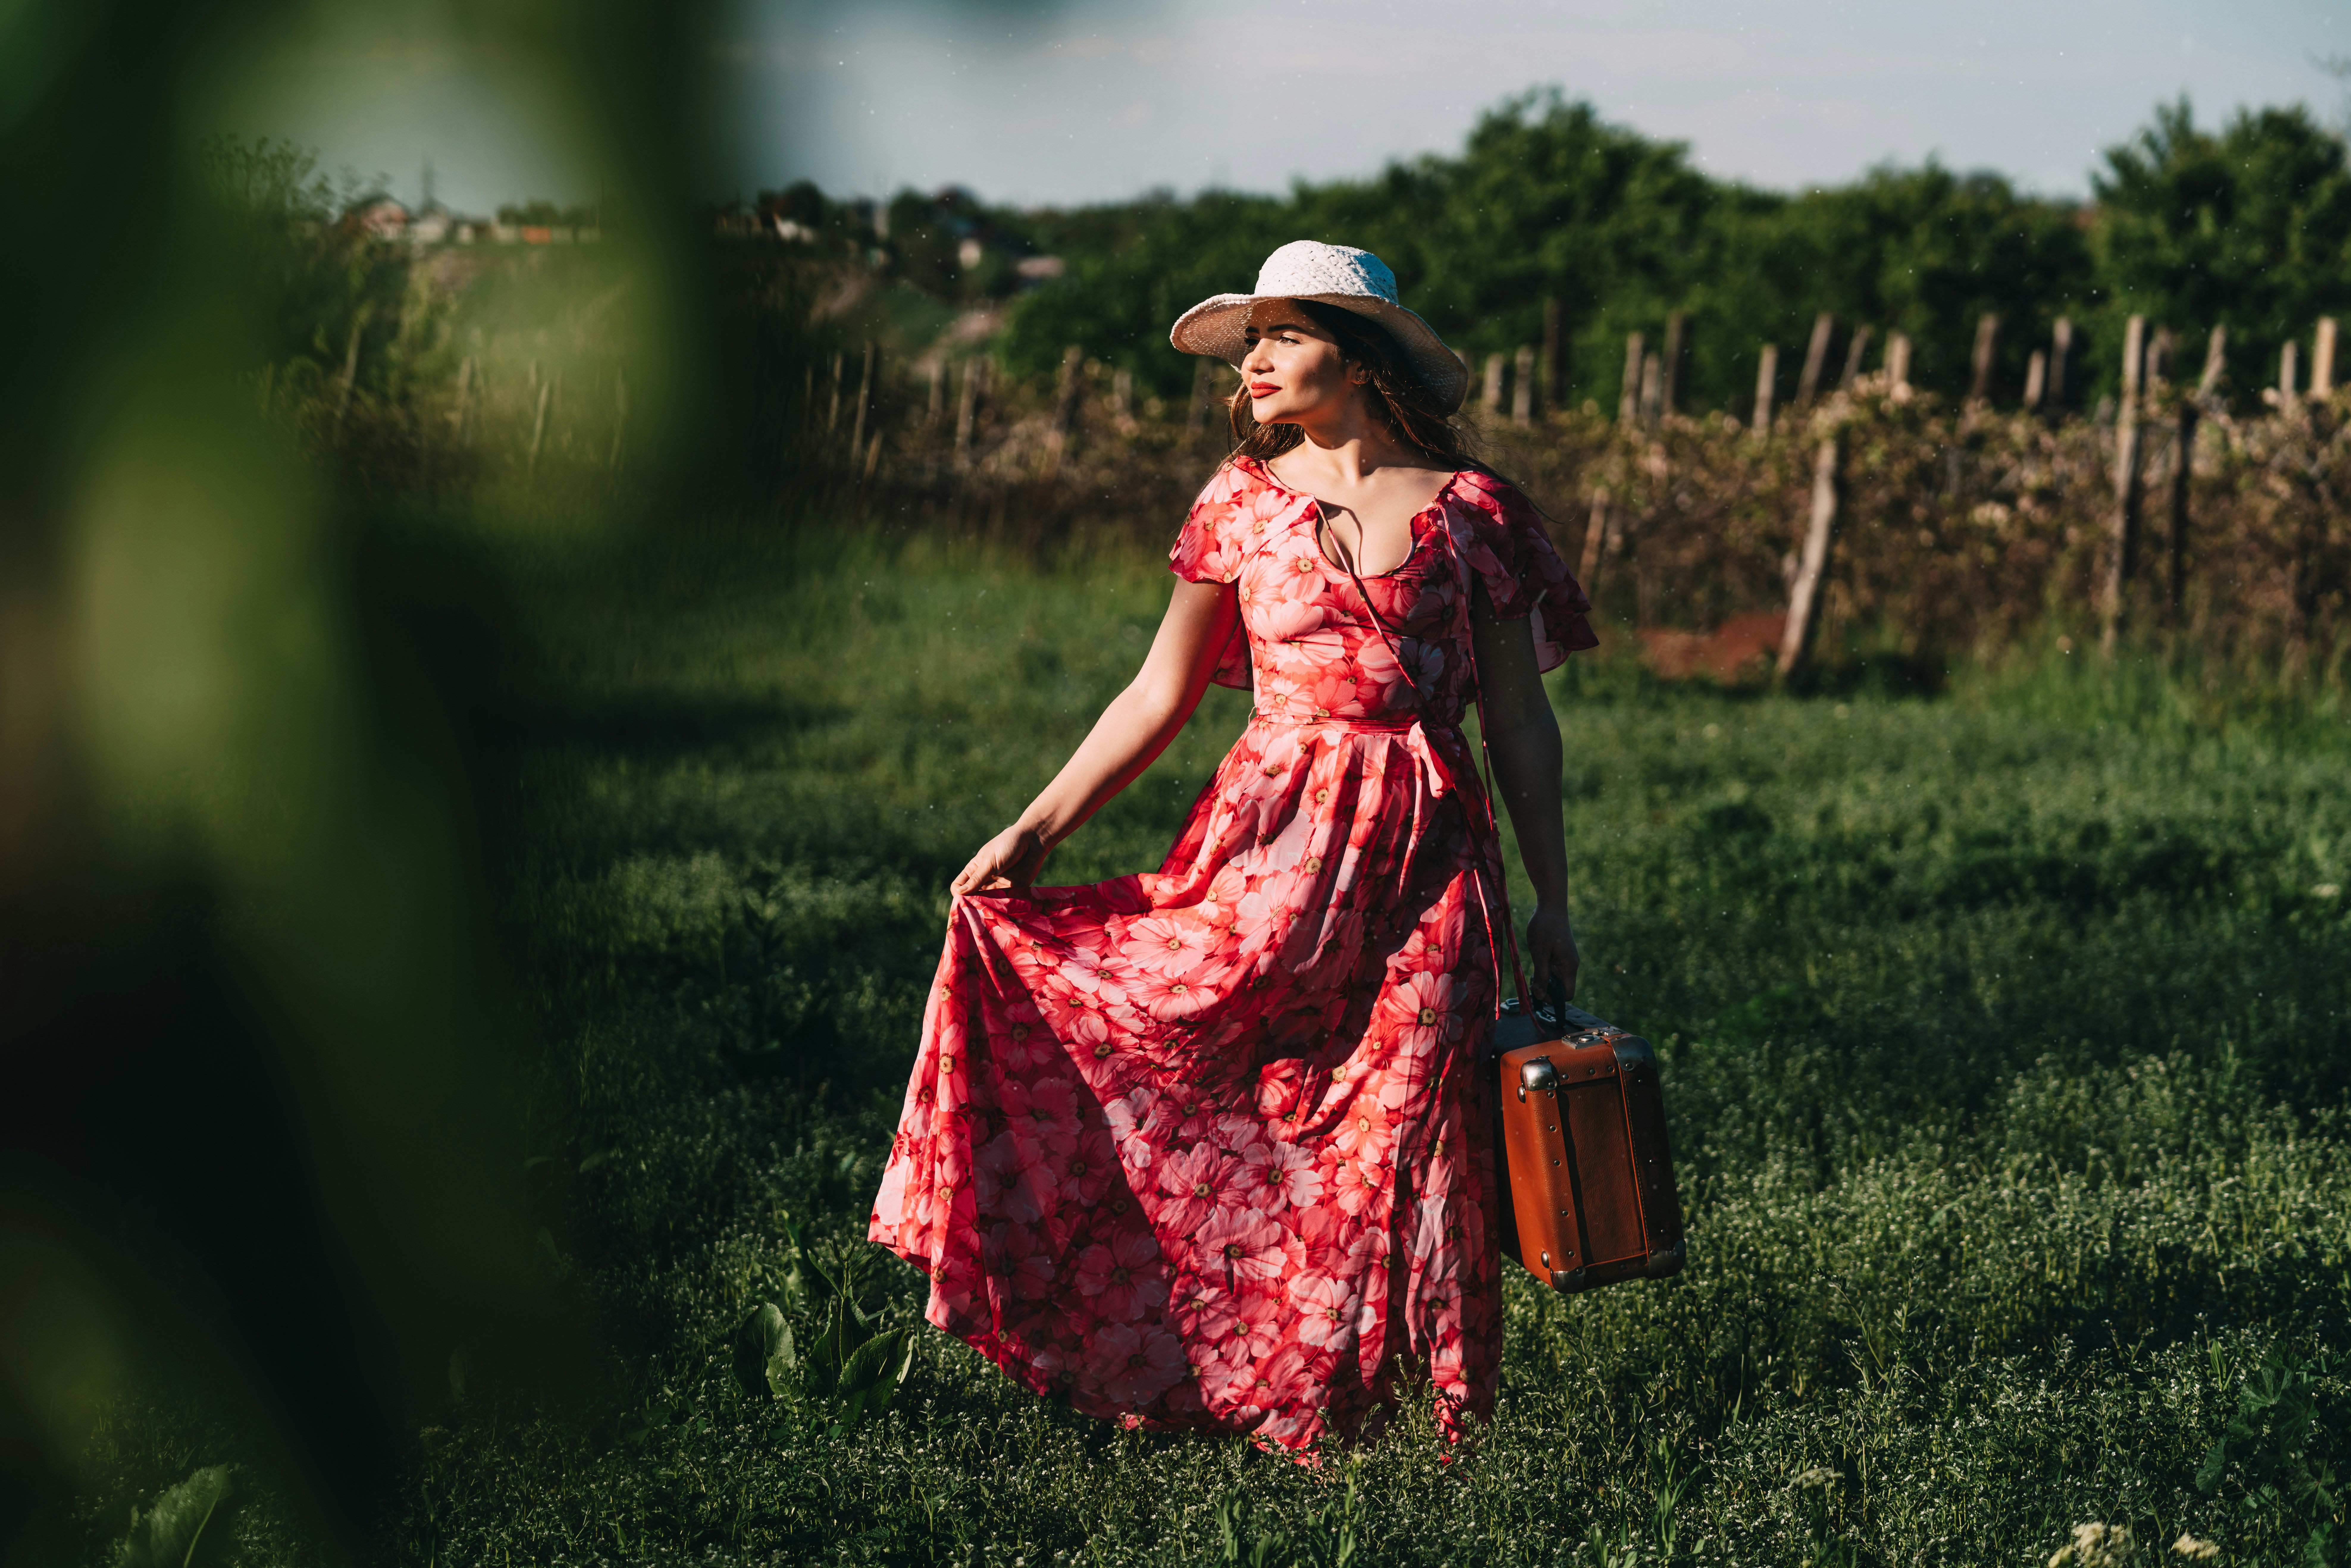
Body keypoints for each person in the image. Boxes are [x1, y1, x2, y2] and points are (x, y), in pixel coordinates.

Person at [868, 241, 1595, 1452]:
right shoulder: (1239, 504)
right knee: (1213, 1082)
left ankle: (1402, 1429)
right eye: (1249, 340)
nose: (1253, 361)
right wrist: (1034, 825)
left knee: (1407, 1132)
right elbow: (1154, 694)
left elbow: (1521, 722)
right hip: (1264, 856)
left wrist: (1553, 904)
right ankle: (1211, 1370)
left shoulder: (1477, 513)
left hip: (1427, 865)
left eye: (1285, 336)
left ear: (1358, 359)